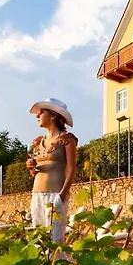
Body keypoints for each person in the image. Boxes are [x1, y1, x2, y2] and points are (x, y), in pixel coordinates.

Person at [26, 98, 78, 243]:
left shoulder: (67, 139)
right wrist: (32, 168)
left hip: (56, 194)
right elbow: (36, 174)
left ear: (53, 115)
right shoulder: (39, 142)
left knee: (55, 239)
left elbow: (72, 169)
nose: (37, 116)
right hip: (37, 194)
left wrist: (62, 196)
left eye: (41, 112)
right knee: (39, 238)